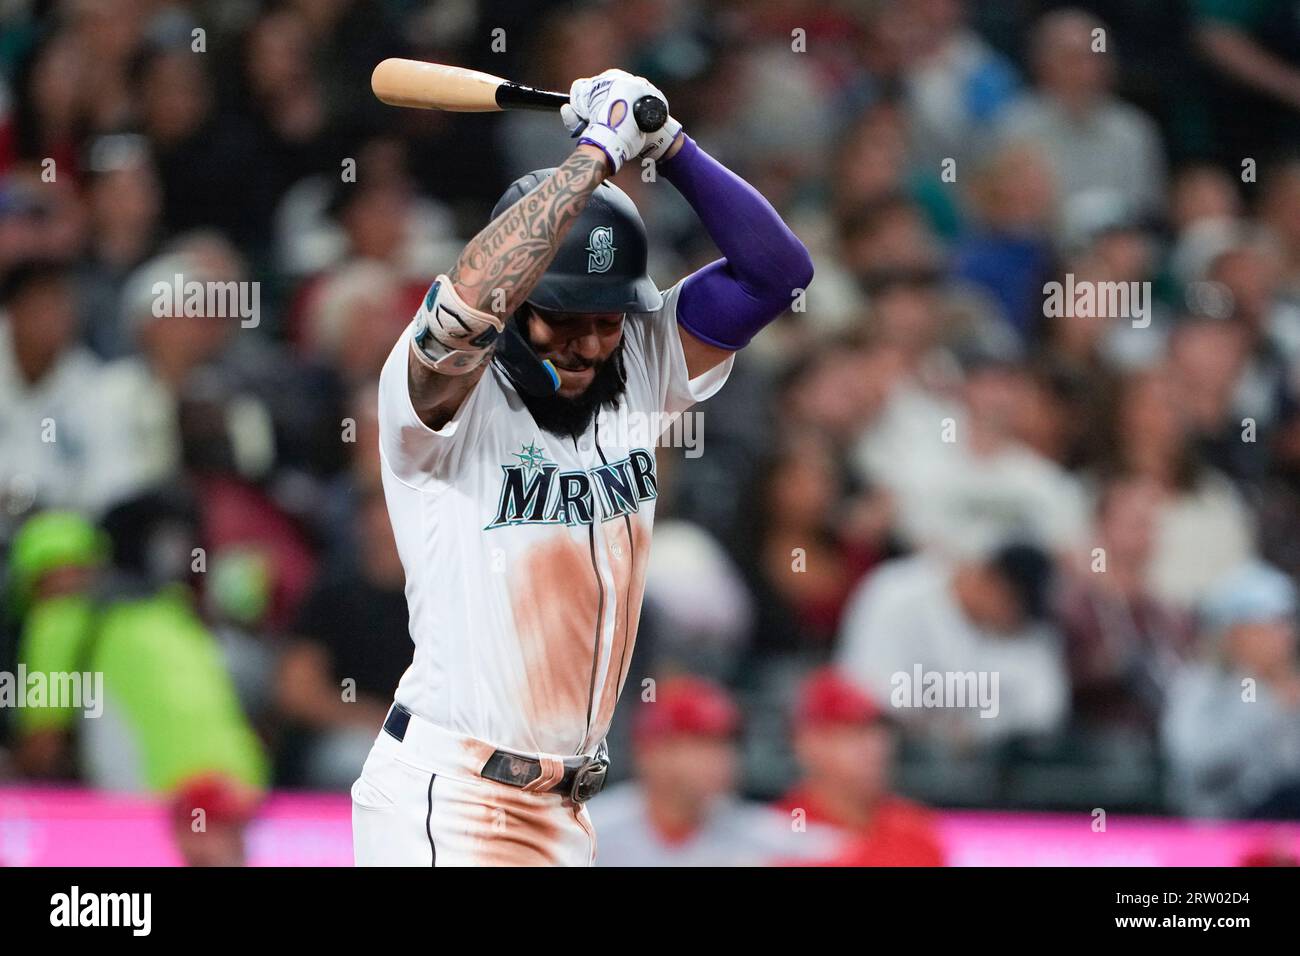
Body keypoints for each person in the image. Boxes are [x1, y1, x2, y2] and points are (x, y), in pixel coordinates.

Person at [351, 68, 813, 866]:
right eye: (565, 319)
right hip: (453, 793)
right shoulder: (439, 394)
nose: (591, 343)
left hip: (566, 808)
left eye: (608, 319)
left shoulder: (639, 360)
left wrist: (668, 145)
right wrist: (596, 150)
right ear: (520, 303)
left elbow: (777, 272)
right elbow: (467, 303)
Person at [591, 677, 833, 866]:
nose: (719, 759)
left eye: (725, 745)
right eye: (700, 744)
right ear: (650, 753)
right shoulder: (594, 828)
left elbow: (839, 851)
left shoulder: (748, 830)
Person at [1162, 561, 1300, 819]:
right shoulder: (1200, 686)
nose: (1286, 636)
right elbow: (1195, 761)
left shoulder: (1292, 684)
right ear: (1236, 632)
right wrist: (1271, 707)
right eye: (1273, 625)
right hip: (1222, 825)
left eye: (1287, 624)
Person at [774, 668, 945, 866]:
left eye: (878, 732)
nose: (873, 747)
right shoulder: (785, 831)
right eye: (854, 734)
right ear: (808, 743)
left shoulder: (917, 829)